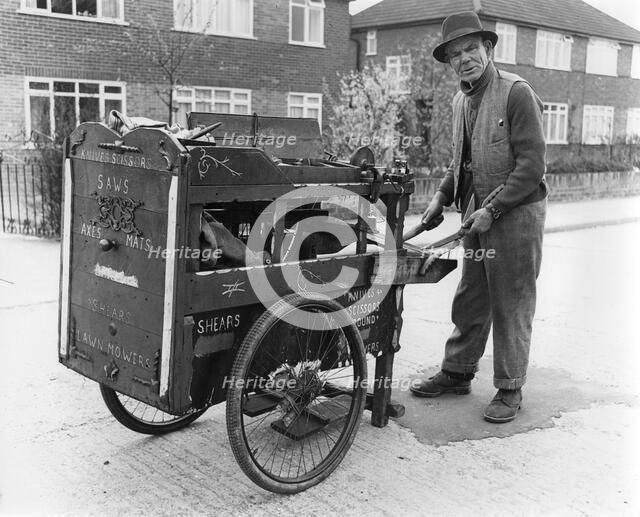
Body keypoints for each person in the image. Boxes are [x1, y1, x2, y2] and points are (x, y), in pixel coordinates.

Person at [409, 11, 548, 423]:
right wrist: (440, 197)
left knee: (511, 303)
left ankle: (510, 388)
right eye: (455, 54)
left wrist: (494, 209)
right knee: (471, 296)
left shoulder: (516, 94)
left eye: (471, 48)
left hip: (517, 215)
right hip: (478, 215)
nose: (464, 58)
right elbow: (460, 162)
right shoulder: (459, 100)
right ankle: (457, 373)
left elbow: (531, 165)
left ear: (488, 49)